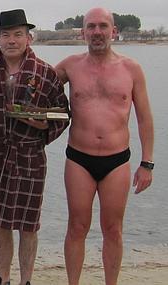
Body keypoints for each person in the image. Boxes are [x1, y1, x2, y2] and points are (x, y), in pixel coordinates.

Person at [0, 9, 69, 285]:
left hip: (30, 155)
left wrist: (42, 126)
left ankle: (26, 280)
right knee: (0, 222)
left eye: (18, 34)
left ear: (29, 38)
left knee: (28, 224)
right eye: (6, 35)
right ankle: (3, 277)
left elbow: (63, 114)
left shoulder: (45, 72)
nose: (12, 40)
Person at [55, 7, 154, 285]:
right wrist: (2, 58)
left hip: (117, 160)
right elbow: (35, 83)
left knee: (113, 229)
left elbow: (145, 118)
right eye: (91, 27)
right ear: (83, 32)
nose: (97, 32)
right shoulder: (70, 65)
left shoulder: (131, 69)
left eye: (102, 26)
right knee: (77, 226)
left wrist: (147, 163)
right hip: (79, 159)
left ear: (114, 31)